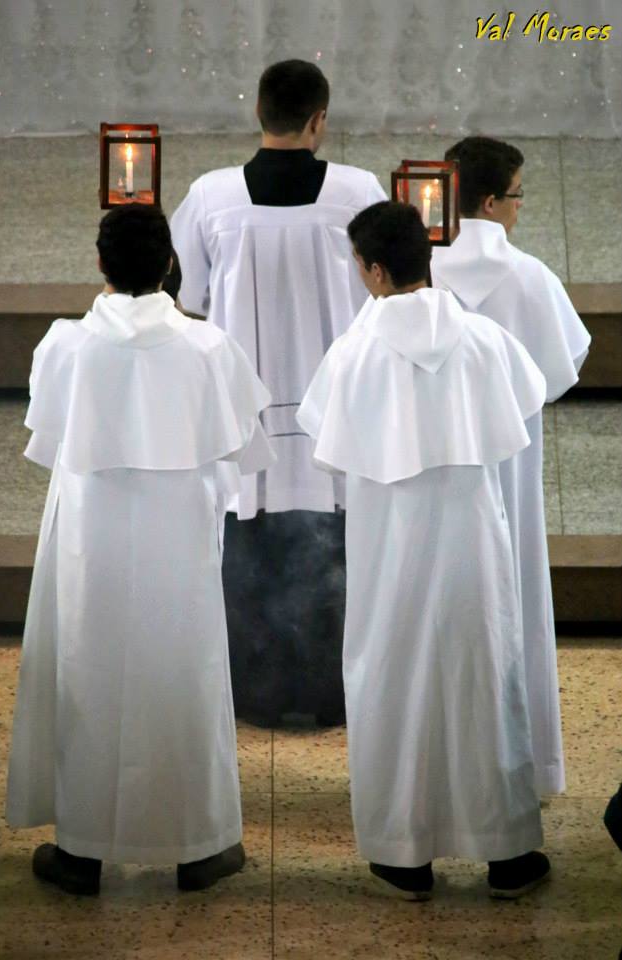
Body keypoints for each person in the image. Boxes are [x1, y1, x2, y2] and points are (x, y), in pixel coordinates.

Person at [5, 204, 274, 895]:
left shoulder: (66, 346)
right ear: (169, 265)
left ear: (100, 263)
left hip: (89, 541)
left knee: (88, 667)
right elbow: (246, 449)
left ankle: (82, 851)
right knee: (182, 670)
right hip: (178, 539)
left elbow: (47, 440)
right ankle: (198, 848)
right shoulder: (208, 347)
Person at [297, 201, 551, 900]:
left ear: (374, 270)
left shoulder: (353, 353)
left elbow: (328, 448)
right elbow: (524, 408)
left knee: (393, 680)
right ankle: (507, 854)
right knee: (482, 679)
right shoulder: (484, 339)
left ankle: (402, 855)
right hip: (473, 541)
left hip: (390, 549)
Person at [170, 59, 387, 726]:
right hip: (334, 415)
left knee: (251, 554)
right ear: (319, 120)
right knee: (331, 556)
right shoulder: (358, 191)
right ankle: (331, 696)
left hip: (247, 417)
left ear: (258, 113)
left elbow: (186, 296)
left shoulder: (210, 196)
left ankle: (254, 696)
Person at [431, 136, 591, 797]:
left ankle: (443, 766)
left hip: (436, 461)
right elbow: (562, 369)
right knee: (516, 591)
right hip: (511, 462)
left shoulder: (420, 273)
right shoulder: (529, 278)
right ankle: (525, 766)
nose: (521, 208)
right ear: (492, 202)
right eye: (518, 195)